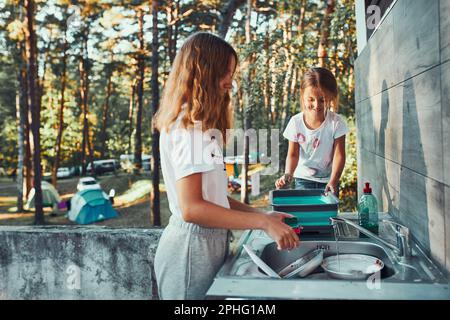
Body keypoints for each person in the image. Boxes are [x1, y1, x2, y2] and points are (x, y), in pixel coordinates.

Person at [153, 32, 299, 300]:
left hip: (205, 247)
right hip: (189, 255)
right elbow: (192, 208)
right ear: (204, 72)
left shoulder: (200, 127)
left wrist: (263, 215)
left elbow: (215, 200)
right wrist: (261, 222)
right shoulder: (189, 129)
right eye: (225, 72)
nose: (230, 82)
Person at [275, 67, 348, 196]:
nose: (317, 105)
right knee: (305, 213)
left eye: (322, 100)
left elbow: (339, 156)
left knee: (327, 214)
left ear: (331, 97)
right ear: (303, 96)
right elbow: (293, 155)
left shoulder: (336, 123)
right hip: (303, 180)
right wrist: (288, 174)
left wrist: (334, 180)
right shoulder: (295, 122)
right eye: (311, 99)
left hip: (329, 181)